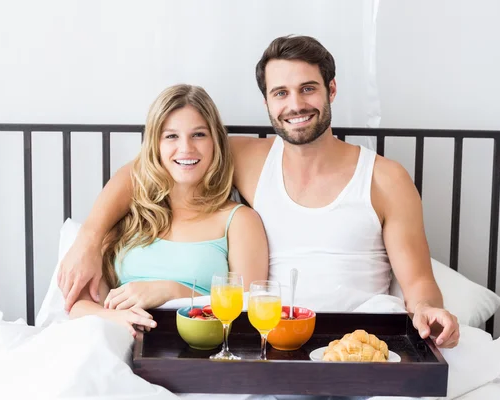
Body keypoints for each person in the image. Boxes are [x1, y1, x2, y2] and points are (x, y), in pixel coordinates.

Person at [61, 36, 459, 347]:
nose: (296, 104)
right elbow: (147, 167)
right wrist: (89, 240)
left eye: (308, 88)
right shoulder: (249, 157)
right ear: (267, 101)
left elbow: (419, 281)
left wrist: (427, 309)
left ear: (331, 90)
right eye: (281, 93)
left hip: (356, 335)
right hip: (272, 338)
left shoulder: (385, 178)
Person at [67, 84, 269, 336]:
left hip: (196, 352)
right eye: (171, 136)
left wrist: (172, 291)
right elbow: (77, 306)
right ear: (156, 146)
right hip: (115, 340)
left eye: (199, 135)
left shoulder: (238, 221)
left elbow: (248, 314)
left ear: (216, 142)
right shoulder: (129, 216)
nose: (186, 148)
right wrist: (114, 317)